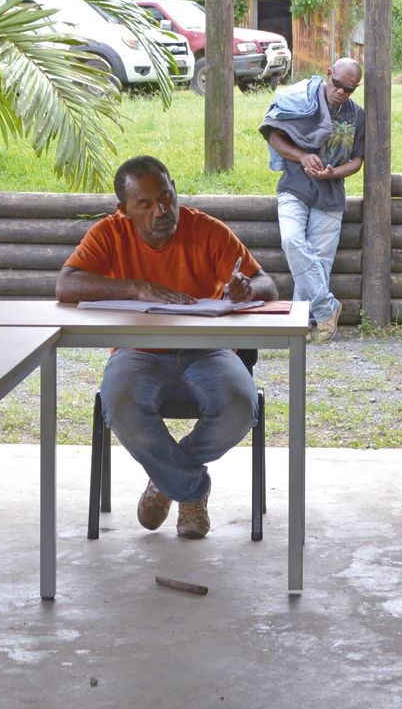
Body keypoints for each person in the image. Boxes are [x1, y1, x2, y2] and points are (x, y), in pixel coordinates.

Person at [57, 156, 278, 539]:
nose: (161, 211)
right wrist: (135, 287)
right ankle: (191, 490)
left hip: (208, 349)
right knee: (121, 402)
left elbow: (267, 285)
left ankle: (166, 481)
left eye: (167, 197)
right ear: (123, 210)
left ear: (175, 190)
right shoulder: (108, 234)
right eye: (145, 204)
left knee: (242, 405)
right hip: (137, 351)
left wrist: (247, 289)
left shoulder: (206, 230)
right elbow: (66, 285)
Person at [260, 59, 366, 341]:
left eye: (349, 90)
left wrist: (334, 172)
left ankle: (302, 325)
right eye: (338, 85)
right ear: (328, 74)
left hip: (331, 194)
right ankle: (327, 307)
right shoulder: (302, 99)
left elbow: (357, 160)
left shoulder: (357, 115)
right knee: (292, 241)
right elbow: (273, 135)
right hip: (294, 187)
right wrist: (302, 156)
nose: (341, 92)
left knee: (319, 262)